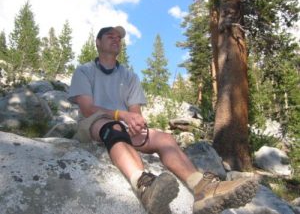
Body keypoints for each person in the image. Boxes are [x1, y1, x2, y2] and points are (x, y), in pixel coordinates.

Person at [68, 26, 258, 214]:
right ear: (98, 42)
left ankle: (203, 189)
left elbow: (135, 112)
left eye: (119, 37)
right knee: (115, 127)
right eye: (110, 36)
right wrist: (122, 115)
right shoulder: (84, 71)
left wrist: (136, 123)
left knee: (165, 139)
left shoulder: (129, 76)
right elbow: (87, 109)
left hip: (122, 125)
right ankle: (143, 186)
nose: (116, 39)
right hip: (93, 123)